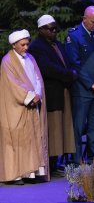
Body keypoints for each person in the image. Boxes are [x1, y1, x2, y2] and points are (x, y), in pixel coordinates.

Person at [29, 15, 77, 177]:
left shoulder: (56, 44)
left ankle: (57, 162)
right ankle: (50, 163)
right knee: (54, 129)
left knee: (62, 128)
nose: (54, 31)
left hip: (62, 91)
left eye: (56, 28)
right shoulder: (37, 46)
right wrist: (68, 74)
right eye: (51, 29)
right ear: (41, 30)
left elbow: (65, 62)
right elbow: (47, 68)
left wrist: (70, 72)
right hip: (51, 94)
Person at [0, 30, 49, 184]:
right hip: (16, 106)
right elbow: (13, 84)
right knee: (17, 138)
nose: (26, 47)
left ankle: (31, 173)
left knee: (32, 138)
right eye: (23, 45)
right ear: (14, 45)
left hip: (32, 103)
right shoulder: (7, 61)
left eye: (27, 44)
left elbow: (37, 78)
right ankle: (17, 175)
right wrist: (29, 96)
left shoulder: (30, 58)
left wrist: (38, 94)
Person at [65, 6, 94, 167]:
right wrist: (91, 84)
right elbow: (75, 65)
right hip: (82, 90)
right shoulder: (74, 35)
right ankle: (77, 160)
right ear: (84, 19)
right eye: (93, 21)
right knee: (78, 126)